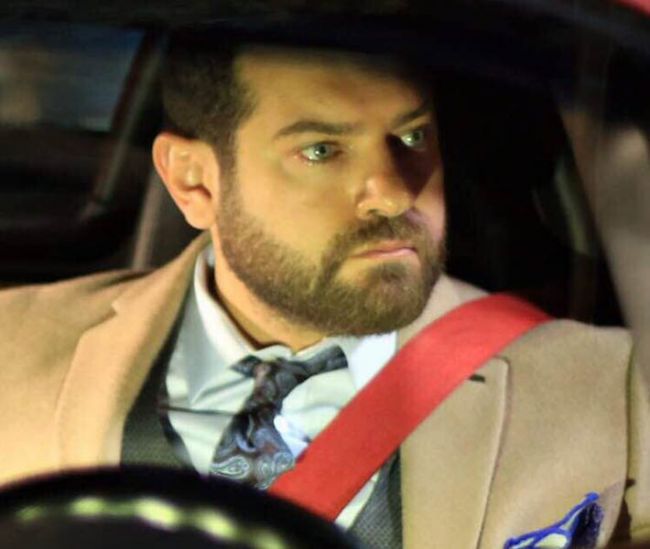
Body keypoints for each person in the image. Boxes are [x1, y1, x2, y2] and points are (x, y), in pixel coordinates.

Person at [1, 35, 649, 548]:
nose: (394, 191)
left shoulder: (612, 385)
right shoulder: (12, 349)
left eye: (413, 136)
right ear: (194, 182)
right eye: (321, 150)